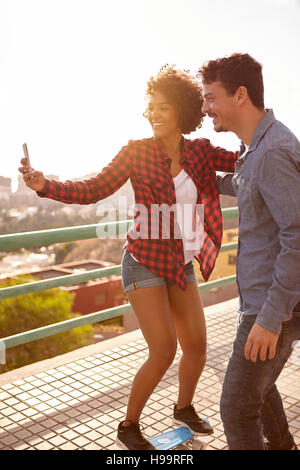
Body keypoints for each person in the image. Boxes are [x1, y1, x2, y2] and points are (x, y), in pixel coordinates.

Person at [19, 65, 238, 450]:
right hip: (143, 262)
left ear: (183, 111)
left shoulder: (201, 152)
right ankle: (128, 425)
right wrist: (45, 184)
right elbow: (94, 188)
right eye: (150, 107)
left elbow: (246, 161)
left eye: (163, 107)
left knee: (198, 346)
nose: (153, 114)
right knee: (164, 350)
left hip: (181, 263)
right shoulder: (136, 152)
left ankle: (184, 408)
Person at [199, 53, 300, 450]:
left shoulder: (272, 151)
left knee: (237, 406)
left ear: (240, 95)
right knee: (261, 387)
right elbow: (251, 188)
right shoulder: (257, 148)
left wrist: (270, 319)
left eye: (211, 98)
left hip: (274, 306)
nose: (206, 108)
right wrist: (206, 178)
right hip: (266, 301)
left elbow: (297, 234)